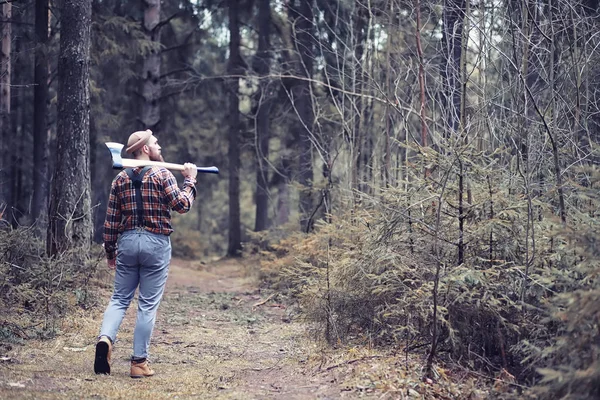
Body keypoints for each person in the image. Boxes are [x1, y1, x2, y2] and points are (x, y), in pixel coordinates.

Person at [94, 129, 198, 378]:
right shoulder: (163, 174)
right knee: (147, 305)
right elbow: (181, 205)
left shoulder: (119, 179)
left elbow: (110, 221)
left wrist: (110, 251)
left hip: (127, 242)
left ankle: (105, 339)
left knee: (119, 299)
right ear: (145, 149)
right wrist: (190, 181)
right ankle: (138, 363)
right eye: (155, 143)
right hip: (156, 243)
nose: (159, 145)